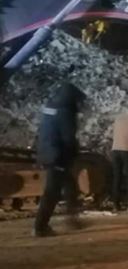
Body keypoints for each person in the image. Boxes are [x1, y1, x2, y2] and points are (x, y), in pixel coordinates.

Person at [34, 83, 85, 237]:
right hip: (59, 156)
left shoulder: (50, 109)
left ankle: (72, 219)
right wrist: (73, 153)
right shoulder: (65, 112)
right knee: (52, 192)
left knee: (70, 186)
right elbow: (68, 138)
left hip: (48, 153)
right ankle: (40, 227)